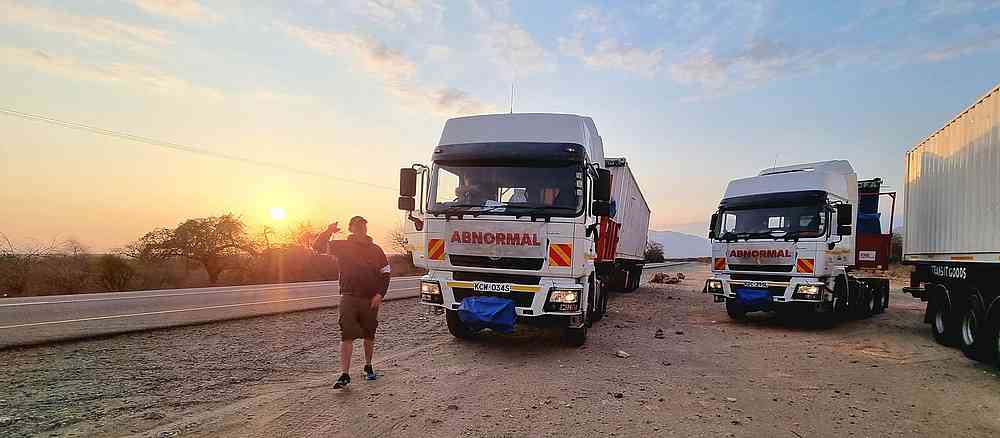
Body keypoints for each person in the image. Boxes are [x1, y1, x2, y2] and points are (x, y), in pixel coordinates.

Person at [312, 216, 391, 389]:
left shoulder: (376, 250)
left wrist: (380, 294)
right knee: (347, 334)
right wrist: (328, 231)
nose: (361, 228)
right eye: (357, 225)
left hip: (370, 299)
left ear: (366, 228)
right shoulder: (341, 246)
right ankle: (345, 374)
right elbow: (317, 247)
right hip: (348, 297)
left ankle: (368, 366)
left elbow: (386, 273)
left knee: (369, 334)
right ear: (351, 228)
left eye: (363, 225)